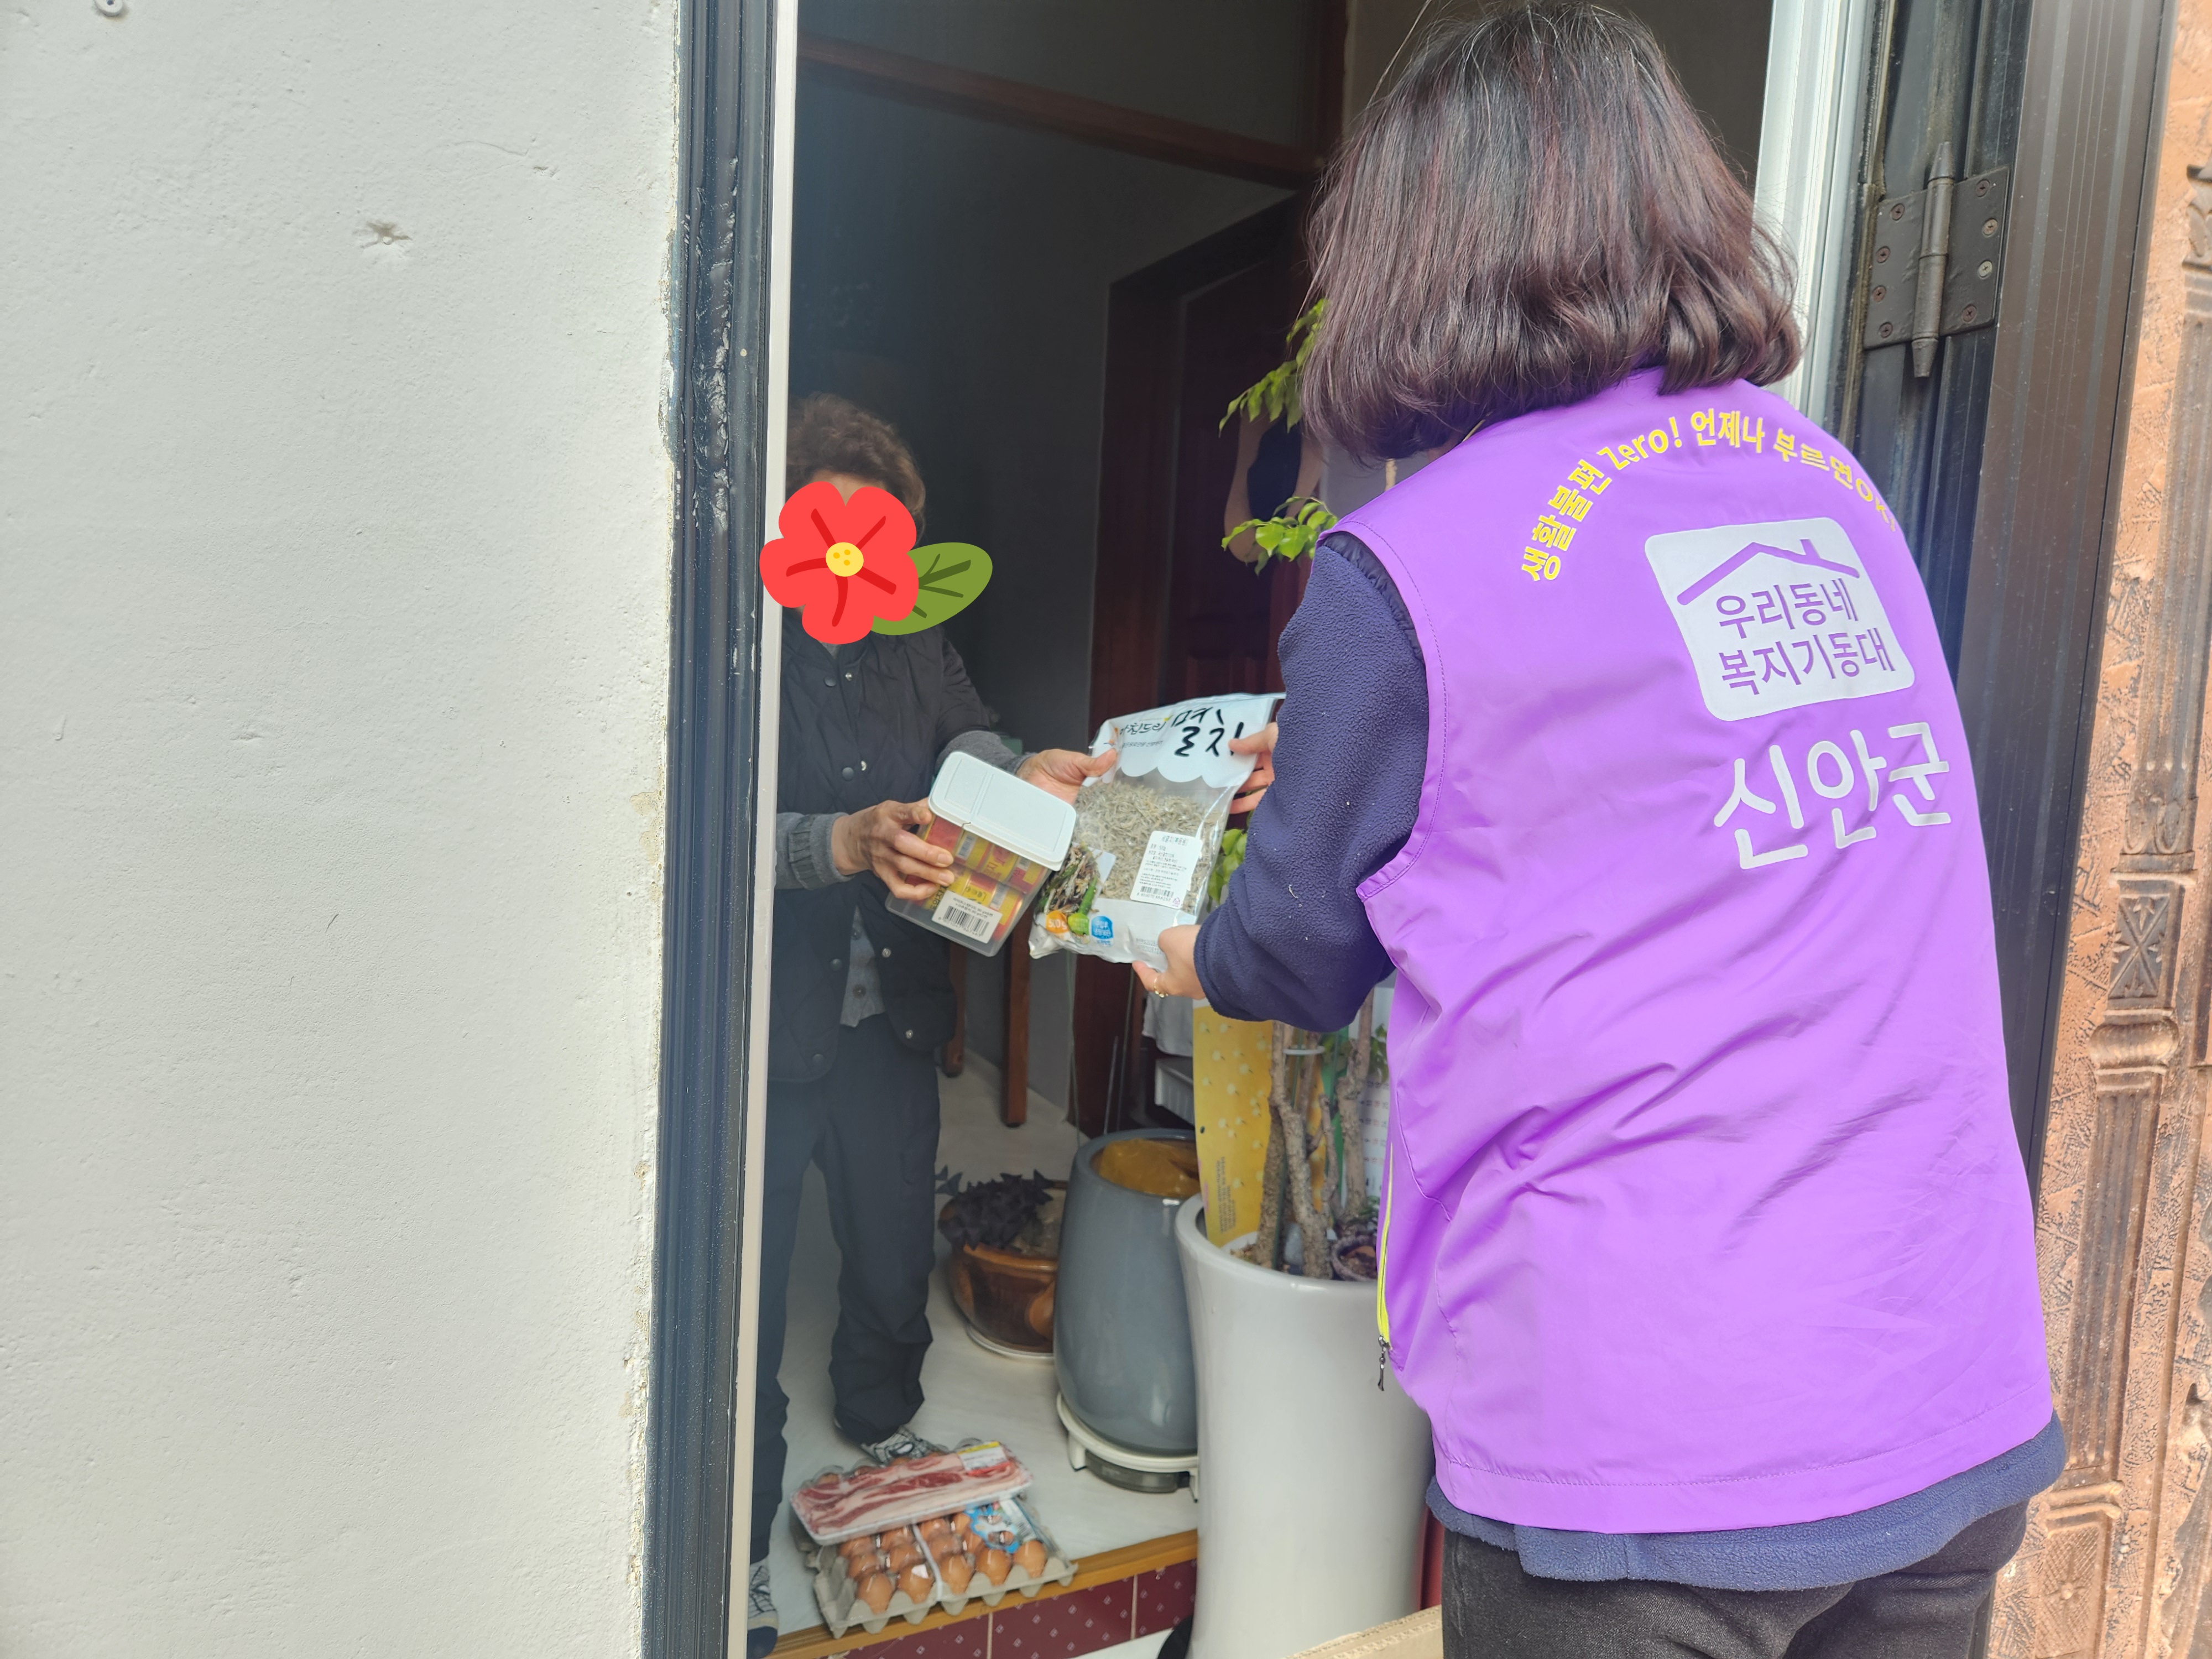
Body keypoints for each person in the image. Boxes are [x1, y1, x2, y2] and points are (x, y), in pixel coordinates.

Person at [1135, 9, 2059, 1656]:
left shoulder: (1405, 564)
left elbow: (1294, 954)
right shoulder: (1835, 491)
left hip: (1652, 1454)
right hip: (1946, 1379)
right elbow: (1676, 800)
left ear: (1411, 255)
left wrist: (1185, 953)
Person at [749, 394, 1110, 1657]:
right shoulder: (744, 646)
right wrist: (838, 842)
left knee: (892, 1245)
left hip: (894, 1016)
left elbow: (969, 736)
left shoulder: (918, 637)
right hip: (768, 1022)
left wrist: (1017, 773)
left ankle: (876, 1432)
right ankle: (736, 1534)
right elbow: (703, 826)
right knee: (743, 1284)